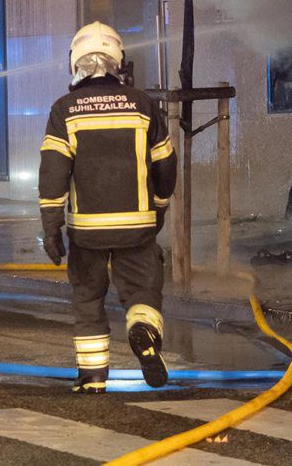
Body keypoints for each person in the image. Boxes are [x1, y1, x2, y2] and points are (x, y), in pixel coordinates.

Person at [39, 21, 177, 392]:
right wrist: (160, 205)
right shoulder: (143, 104)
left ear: (75, 61)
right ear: (119, 61)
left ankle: (93, 378)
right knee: (143, 291)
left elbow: (53, 173)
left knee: (88, 299)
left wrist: (51, 228)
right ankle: (143, 328)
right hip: (138, 228)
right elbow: (166, 163)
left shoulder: (64, 110)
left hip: (87, 233)